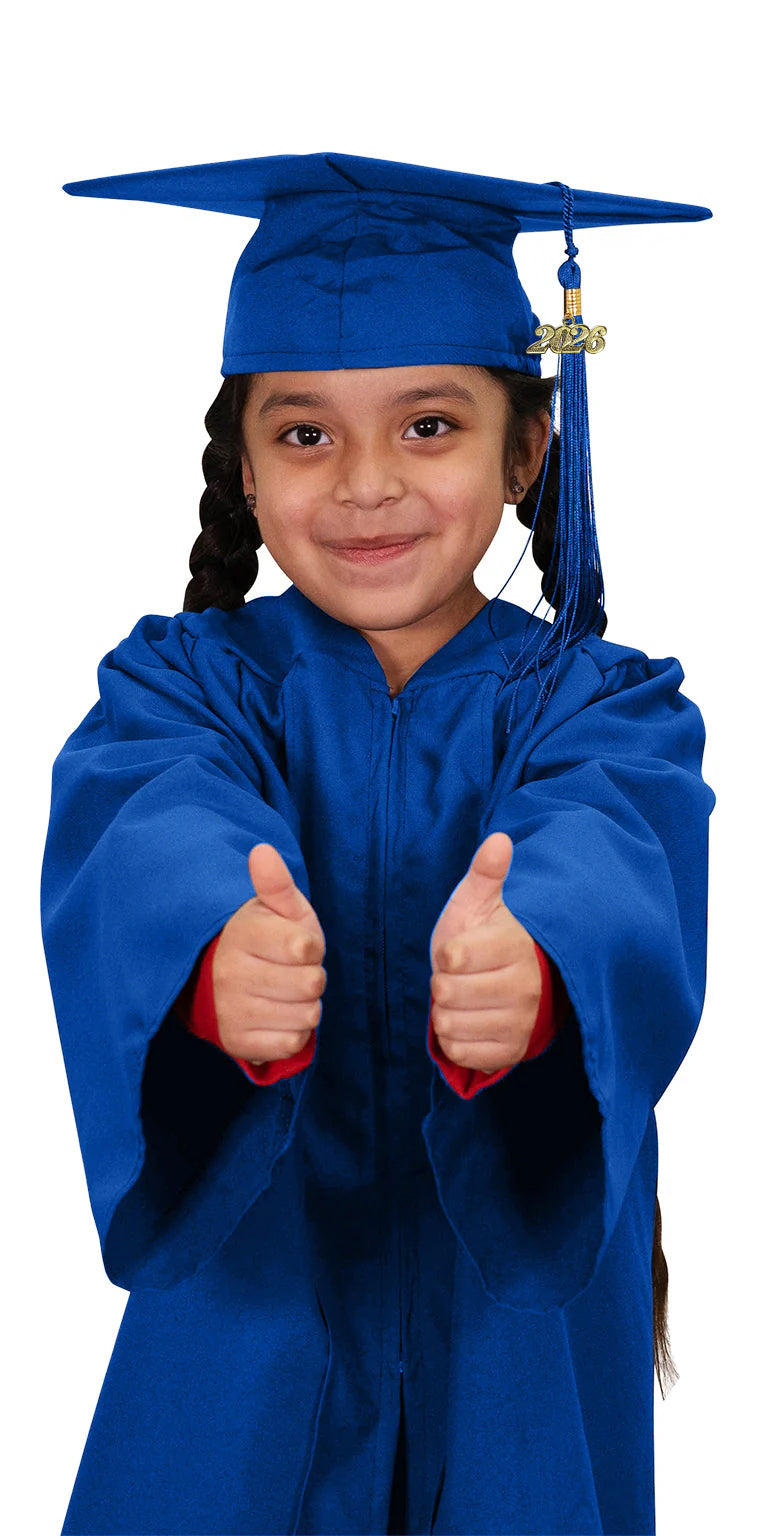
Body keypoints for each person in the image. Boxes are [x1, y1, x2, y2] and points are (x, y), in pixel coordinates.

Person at [40, 151, 716, 1536]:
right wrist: (210, 953)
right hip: (255, 1309)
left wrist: (543, 965)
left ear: (528, 447)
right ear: (242, 454)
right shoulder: (184, 685)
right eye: (304, 435)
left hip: (511, 1331)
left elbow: (616, 840)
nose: (363, 486)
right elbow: (152, 811)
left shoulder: (608, 706)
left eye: (427, 428)